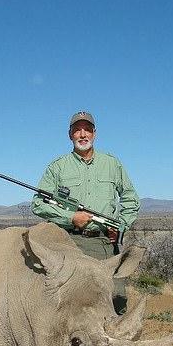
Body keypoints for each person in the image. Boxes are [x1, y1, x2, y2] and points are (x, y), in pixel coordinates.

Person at [31, 111, 140, 313]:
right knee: (68, 307)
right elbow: (38, 204)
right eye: (77, 130)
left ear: (94, 134)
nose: (83, 134)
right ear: (70, 134)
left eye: (87, 130)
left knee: (117, 304)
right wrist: (70, 217)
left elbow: (131, 199)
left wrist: (120, 225)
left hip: (104, 244)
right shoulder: (57, 167)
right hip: (68, 243)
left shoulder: (112, 164)